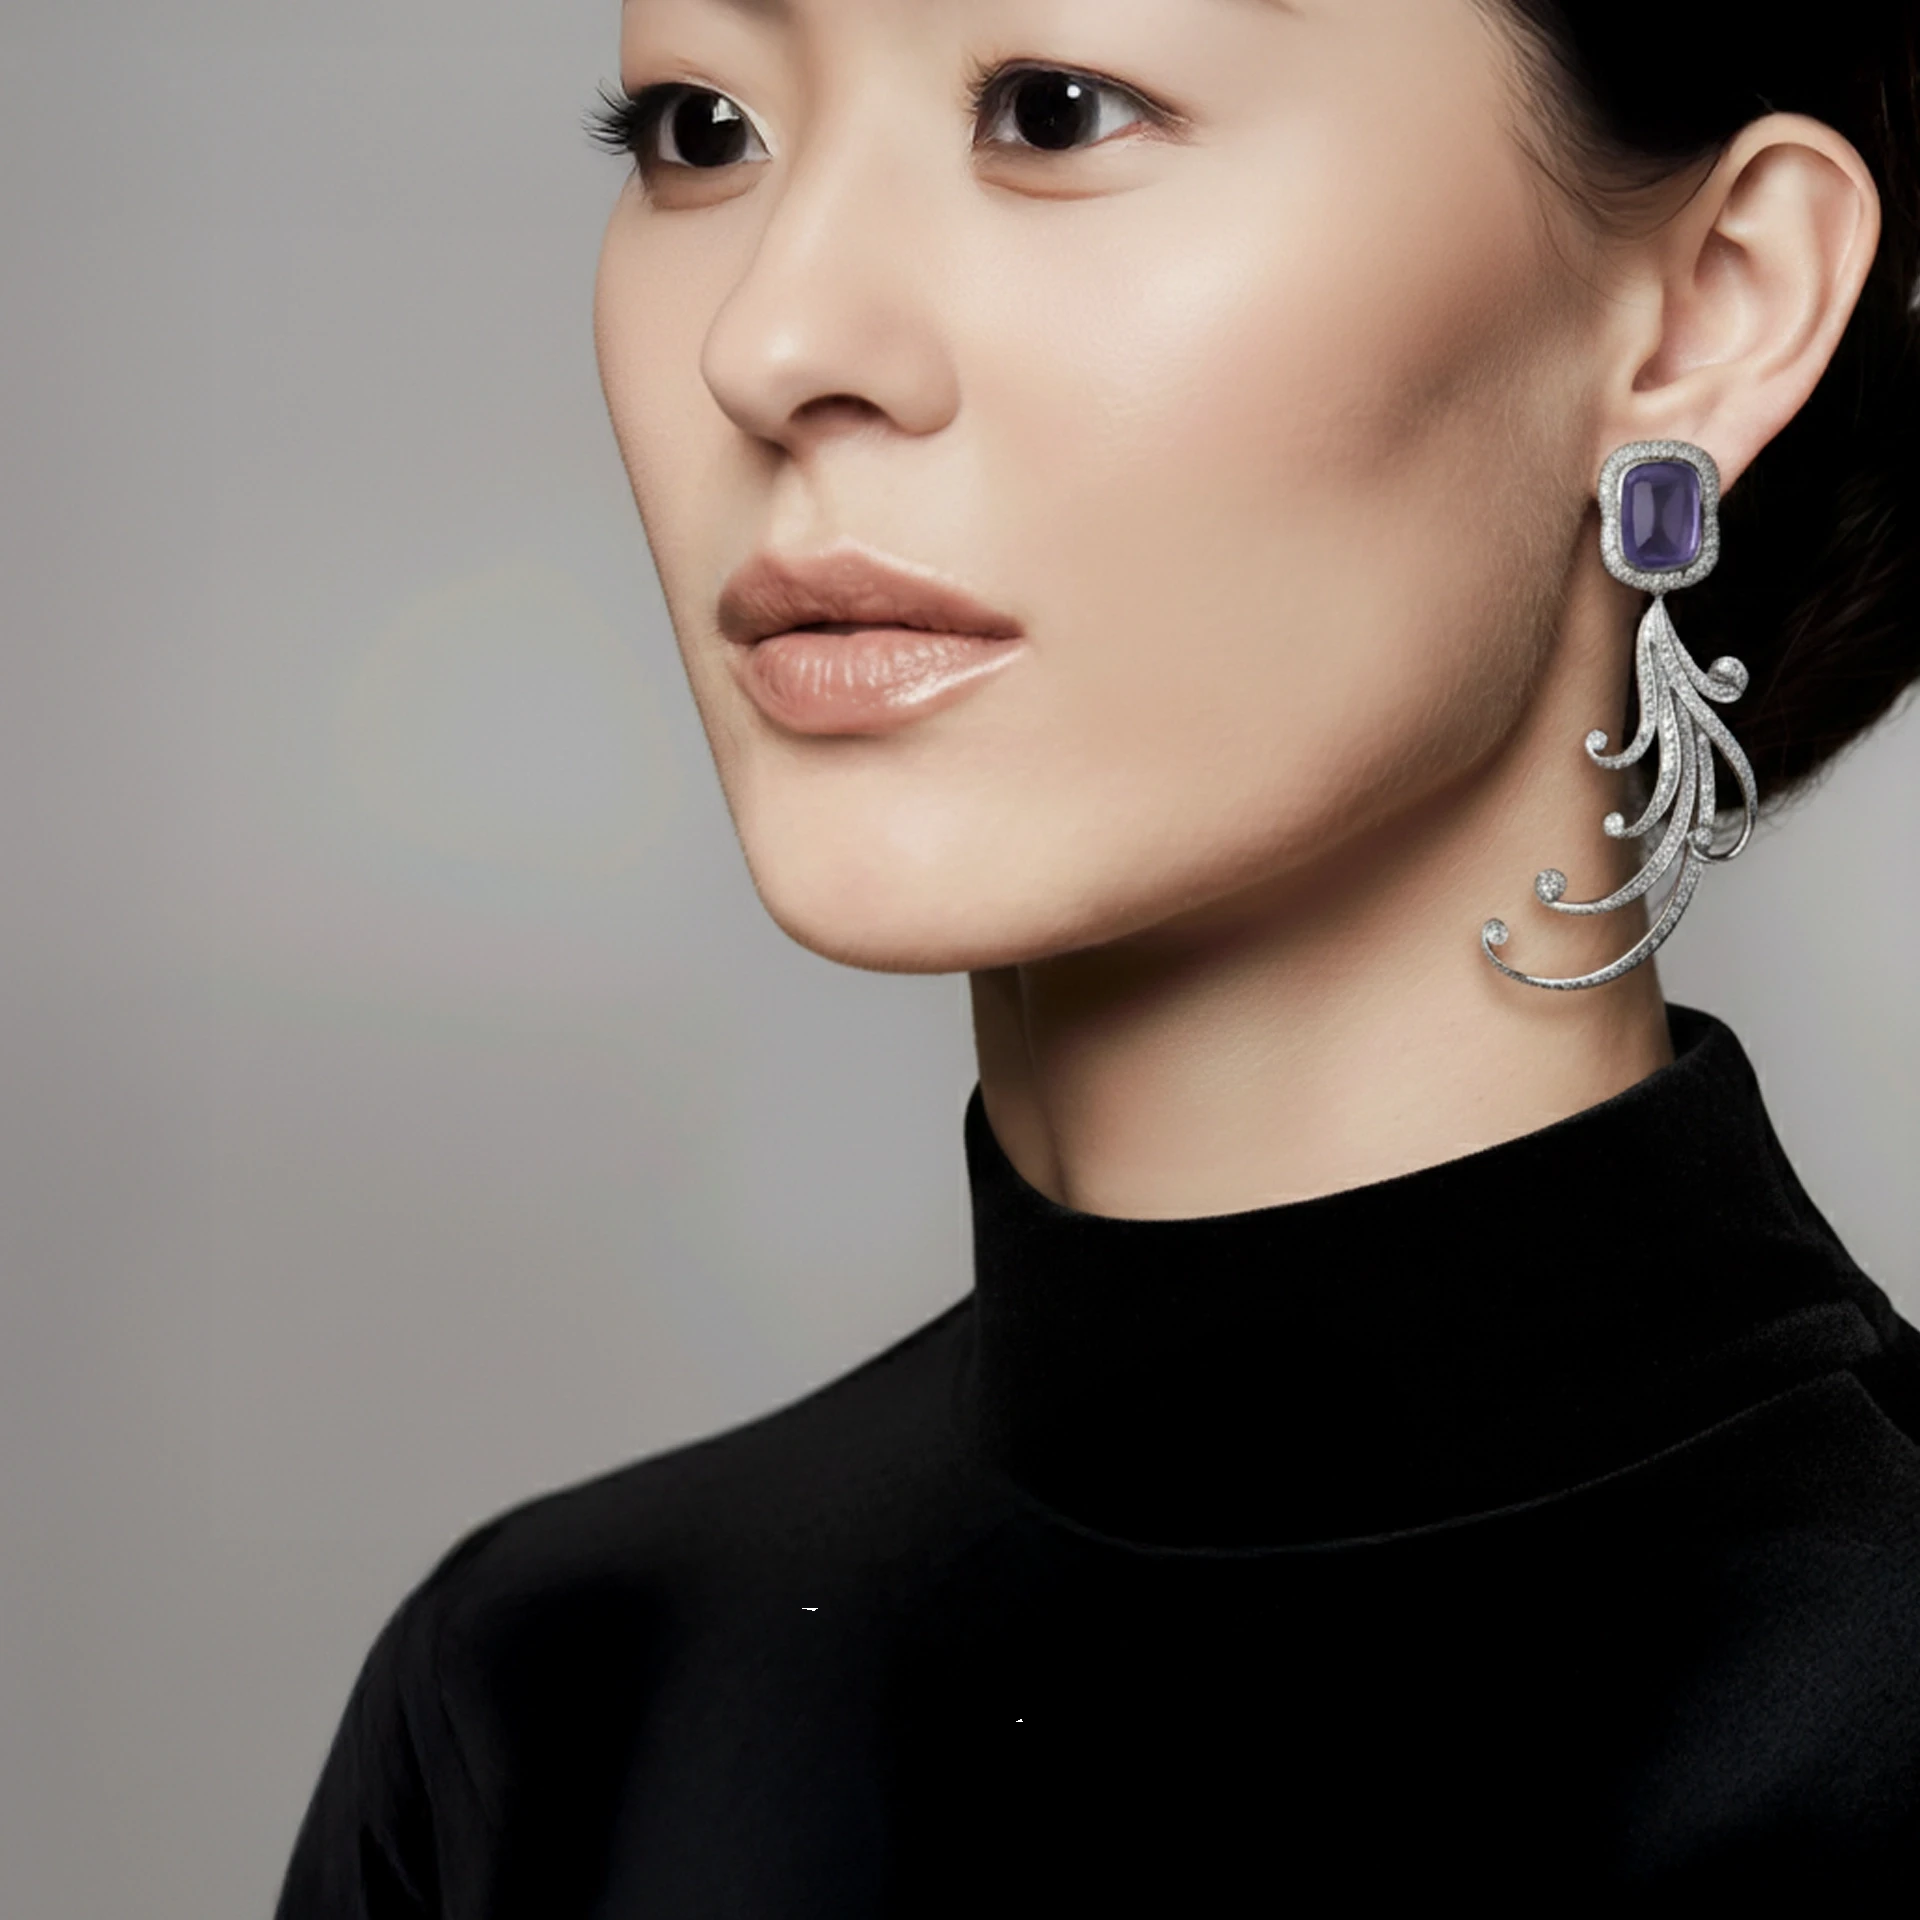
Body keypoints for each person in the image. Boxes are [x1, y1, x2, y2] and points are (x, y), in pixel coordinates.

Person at [276, 0, 1920, 1908]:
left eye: (1055, 112)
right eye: (699, 129)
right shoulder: (548, 1717)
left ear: (1714, 304)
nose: (771, 341)